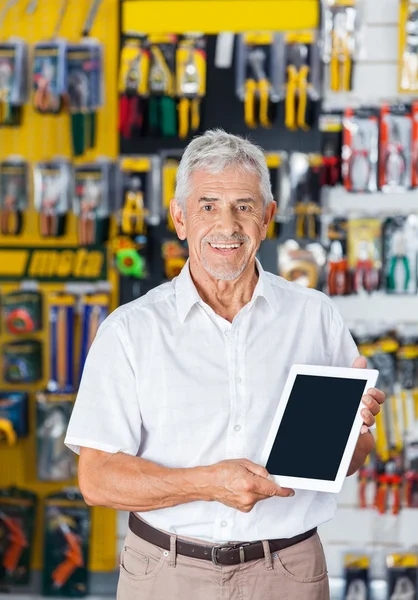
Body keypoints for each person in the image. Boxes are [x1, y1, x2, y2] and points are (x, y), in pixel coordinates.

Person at [65, 130, 385, 600]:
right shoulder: (130, 330)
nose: (227, 226)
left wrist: (354, 433)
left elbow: (354, 458)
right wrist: (208, 483)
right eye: (208, 205)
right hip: (166, 573)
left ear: (268, 217)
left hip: (287, 572)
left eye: (244, 206)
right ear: (180, 218)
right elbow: (96, 480)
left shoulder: (314, 315)